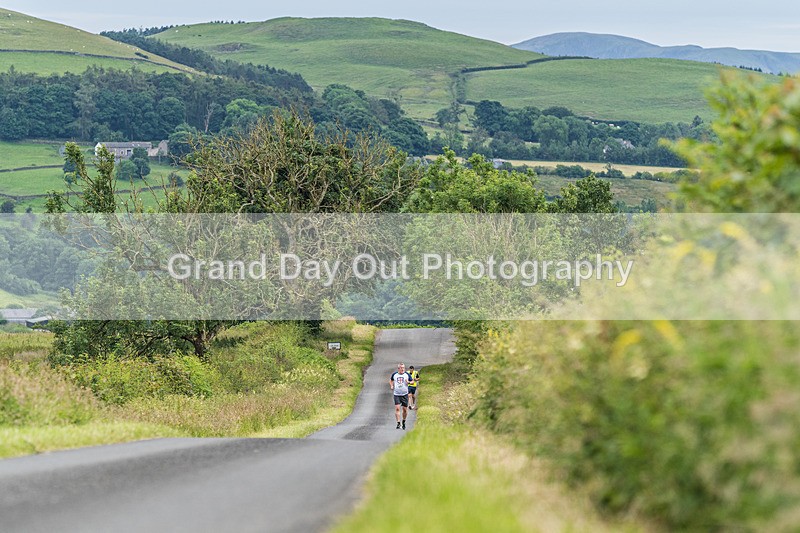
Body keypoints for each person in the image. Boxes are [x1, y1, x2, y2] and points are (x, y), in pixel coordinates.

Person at [390, 363, 412, 429]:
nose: (403, 369)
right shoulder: (394, 375)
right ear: (398, 368)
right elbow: (391, 381)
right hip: (397, 394)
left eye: (403, 368)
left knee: (405, 409)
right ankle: (398, 423)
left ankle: (404, 421)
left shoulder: (407, 375)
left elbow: (412, 381)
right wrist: (391, 385)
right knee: (397, 408)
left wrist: (409, 382)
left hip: (404, 394)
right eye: (401, 368)